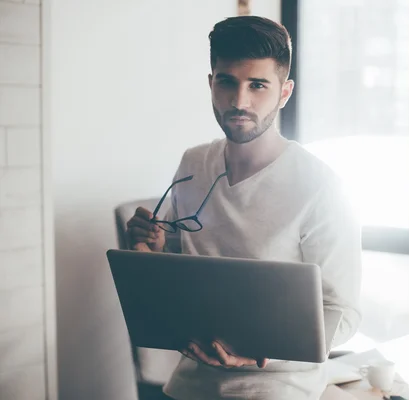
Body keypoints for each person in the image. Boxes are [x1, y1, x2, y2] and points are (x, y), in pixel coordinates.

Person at [126, 15, 362, 400]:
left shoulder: (321, 186)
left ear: (284, 93)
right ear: (211, 84)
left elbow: (343, 313)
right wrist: (150, 249)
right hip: (188, 384)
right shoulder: (193, 163)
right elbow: (174, 267)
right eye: (227, 82)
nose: (239, 101)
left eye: (257, 86)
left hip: (276, 387)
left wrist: (262, 353)